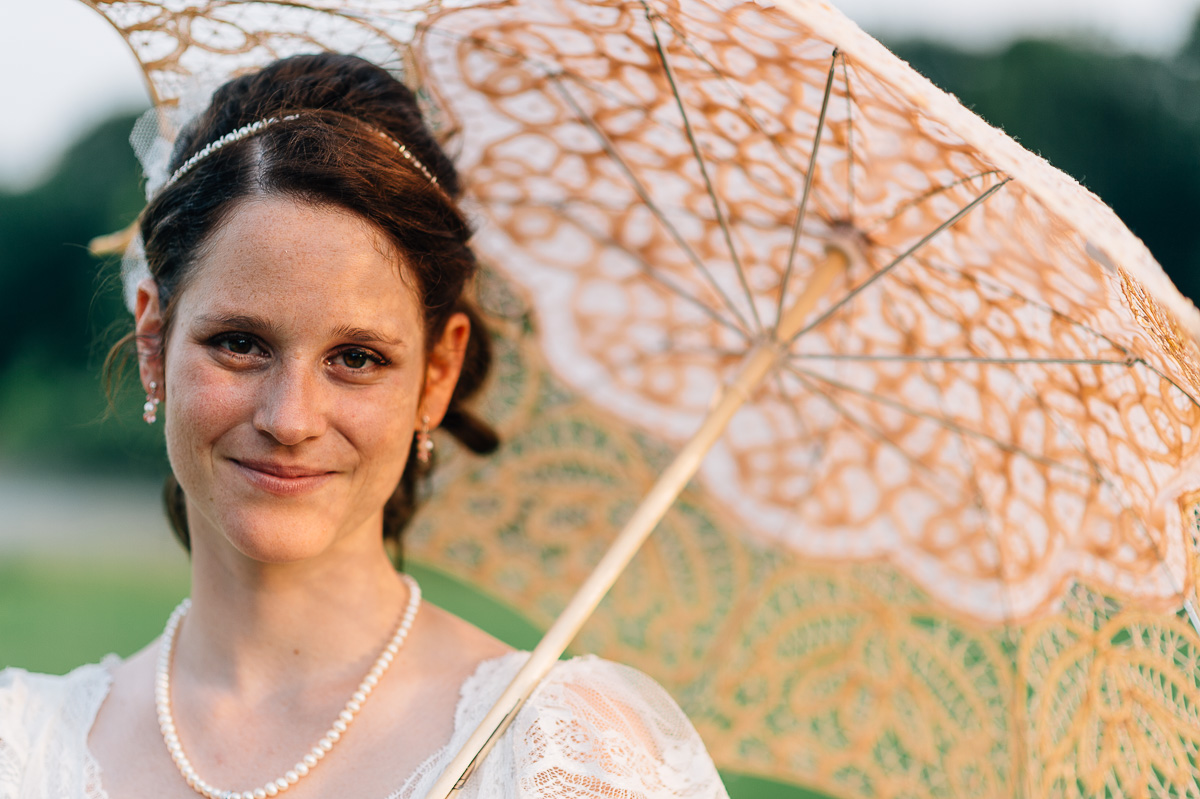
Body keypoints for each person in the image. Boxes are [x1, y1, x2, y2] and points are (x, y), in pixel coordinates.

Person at [0, 54, 729, 799]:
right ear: (154, 339)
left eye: (356, 357)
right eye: (240, 344)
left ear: (437, 376)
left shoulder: (563, 758)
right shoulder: (20, 748)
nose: (289, 419)